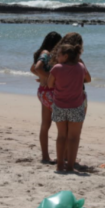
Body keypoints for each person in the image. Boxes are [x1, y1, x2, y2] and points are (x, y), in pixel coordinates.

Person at [48, 36, 92, 173]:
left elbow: (50, 84)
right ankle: (71, 166)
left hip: (60, 105)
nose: (57, 57)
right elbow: (88, 79)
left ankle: (60, 165)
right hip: (76, 106)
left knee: (61, 136)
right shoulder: (80, 67)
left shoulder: (56, 68)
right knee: (74, 137)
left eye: (59, 55)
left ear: (65, 56)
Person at [30, 31, 62, 165]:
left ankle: (45, 156)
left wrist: (42, 77)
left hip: (44, 92)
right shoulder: (47, 53)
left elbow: (32, 68)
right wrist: (49, 78)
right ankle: (63, 156)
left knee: (45, 124)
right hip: (50, 92)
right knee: (61, 125)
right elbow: (37, 67)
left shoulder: (42, 52)